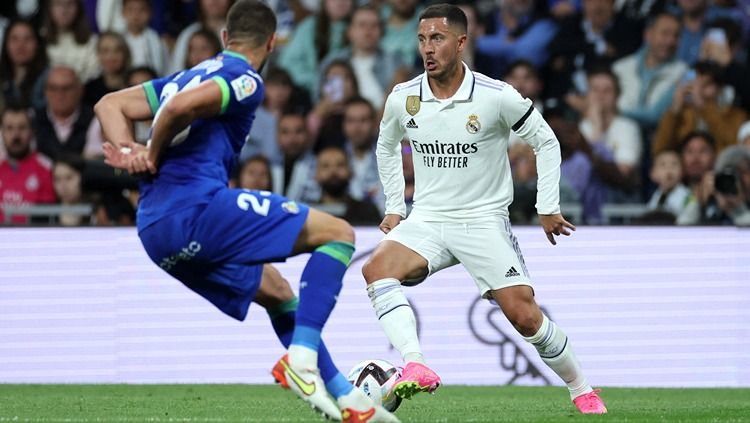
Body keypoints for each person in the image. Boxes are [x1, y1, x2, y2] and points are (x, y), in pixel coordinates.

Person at [93, 2, 397, 422]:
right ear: (272, 42)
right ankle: (302, 359)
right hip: (194, 208)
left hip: (154, 229)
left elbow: (109, 104)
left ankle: (348, 399)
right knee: (339, 234)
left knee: (277, 291)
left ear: (223, 38)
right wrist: (149, 151)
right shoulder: (246, 79)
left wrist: (127, 150)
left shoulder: (184, 75)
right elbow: (181, 109)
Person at [363, 3, 607, 414]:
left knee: (526, 318)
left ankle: (581, 388)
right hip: (428, 217)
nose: (428, 48)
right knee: (376, 269)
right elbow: (386, 146)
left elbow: (546, 141)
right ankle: (415, 365)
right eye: (422, 39)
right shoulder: (404, 98)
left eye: (437, 38)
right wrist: (394, 206)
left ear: (461, 43)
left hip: (482, 221)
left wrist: (547, 205)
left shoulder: (496, 96)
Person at [0, 104, 56, 224]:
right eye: (9, 128)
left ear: (32, 132)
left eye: (22, 128)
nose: (16, 135)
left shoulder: (46, 168)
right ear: (2, 132)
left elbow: (46, 218)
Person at [314, 146, 382, 226]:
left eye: (340, 165)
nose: (333, 171)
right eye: (325, 166)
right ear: (316, 175)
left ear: (351, 172)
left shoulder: (368, 211)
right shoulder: (311, 213)